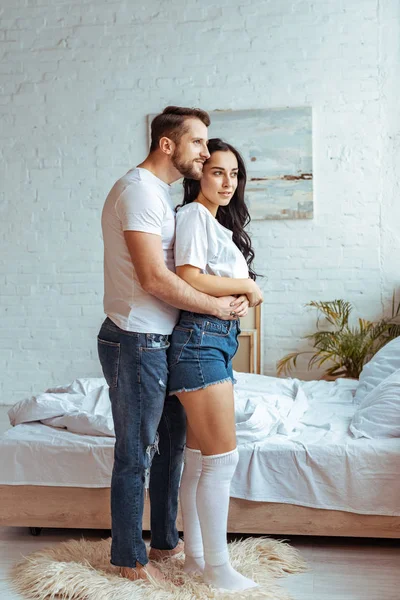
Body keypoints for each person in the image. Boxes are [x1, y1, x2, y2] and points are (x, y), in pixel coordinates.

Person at [97, 108, 250, 584]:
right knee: (137, 451)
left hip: (164, 338)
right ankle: (127, 557)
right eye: (199, 144)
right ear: (168, 145)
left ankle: (165, 542)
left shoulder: (158, 196)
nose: (205, 154)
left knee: (171, 450)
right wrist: (216, 306)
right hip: (136, 337)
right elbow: (154, 277)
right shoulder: (139, 191)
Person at [167, 138, 263, 592]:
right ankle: (218, 572)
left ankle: (198, 560)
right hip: (199, 342)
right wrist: (245, 284)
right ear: (199, 176)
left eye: (234, 174)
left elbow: (212, 283)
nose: (228, 182)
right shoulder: (191, 217)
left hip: (213, 340)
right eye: (217, 172)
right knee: (221, 461)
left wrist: (238, 296)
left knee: (199, 459)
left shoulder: (215, 224)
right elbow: (187, 276)